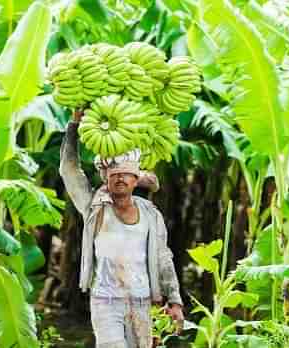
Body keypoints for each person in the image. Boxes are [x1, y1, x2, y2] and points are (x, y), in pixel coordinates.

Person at [59, 112, 184, 348]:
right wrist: (74, 126)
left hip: (143, 302)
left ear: (136, 180)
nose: (120, 179)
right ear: (106, 179)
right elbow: (69, 170)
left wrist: (174, 299)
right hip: (105, 302)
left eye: (126, 175)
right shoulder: (93, 208)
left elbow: (163, 257)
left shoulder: (150, 214)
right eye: (114, 175)